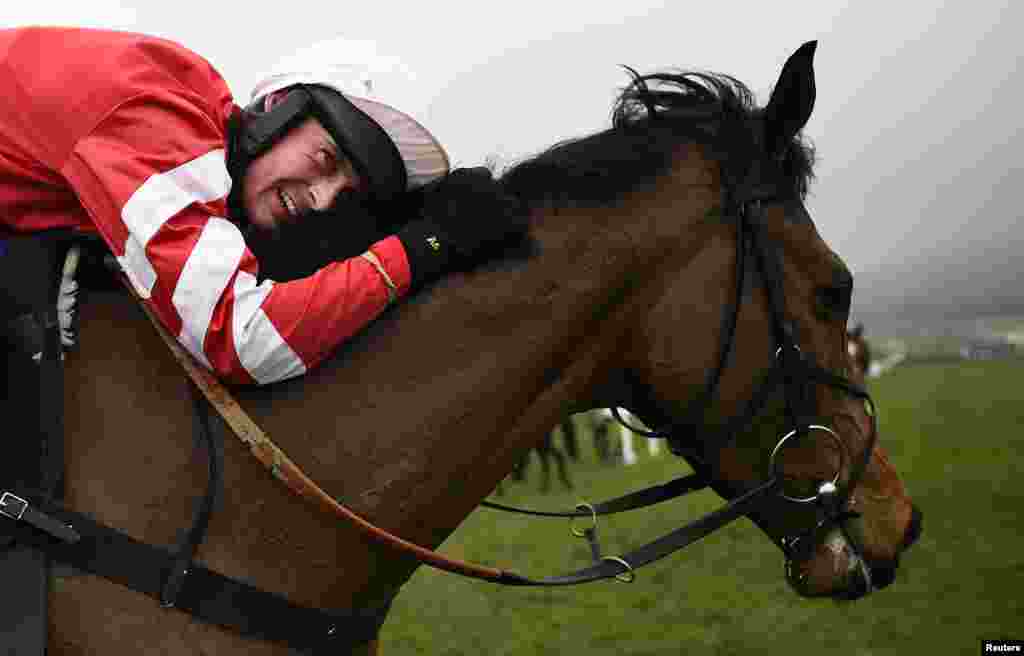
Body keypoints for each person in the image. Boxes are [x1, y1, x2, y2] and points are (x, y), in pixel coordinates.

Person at [0, 26, 527, 387]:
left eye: (345, 194)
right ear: (280, 107)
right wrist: (420, 249)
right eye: (327, 158)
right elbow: (241, 338)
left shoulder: (190, 116)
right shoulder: (156, 119)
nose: (321, 199)